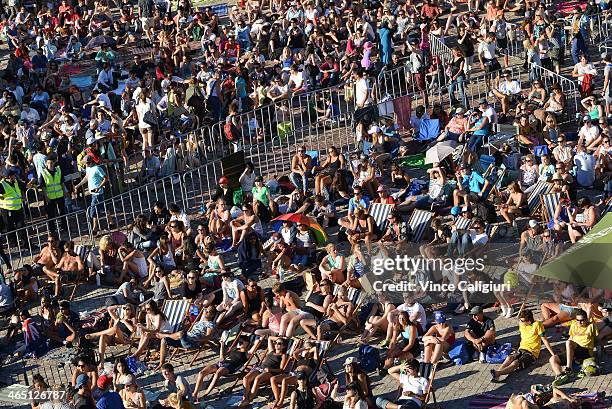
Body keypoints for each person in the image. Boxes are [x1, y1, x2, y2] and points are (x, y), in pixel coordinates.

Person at [490, 310, 555, 382]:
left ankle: (498, 373)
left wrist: (553, 354)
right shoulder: (521, 324)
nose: (520, 321)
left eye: (522, 320)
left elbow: (545, 340)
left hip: (531, 353)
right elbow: (521, 336)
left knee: (515, 363)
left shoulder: (537, 324)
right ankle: (497, 375)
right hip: (521, 348)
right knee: (509, 358)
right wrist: (517, 346)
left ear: (529, 321)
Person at [192, 336, 251, 402]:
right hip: (221, 363)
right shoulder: (235, 349)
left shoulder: (247, 354)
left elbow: (254, 348)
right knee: (201, 373)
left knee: (217, 374)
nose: (240, 343)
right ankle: (195, 393)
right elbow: (222, 358)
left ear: (247, 343)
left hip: (230, 366)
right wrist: (222, 346)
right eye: (240, 342)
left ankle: (205, 395)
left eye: (242, 342)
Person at [549, 308, 598, 385]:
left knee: (568, 342)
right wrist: (565, 349)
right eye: (577, 320)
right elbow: (571, 338)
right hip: (574, 350)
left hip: (585, 351)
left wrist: (601, 350)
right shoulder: (574, 325)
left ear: (586, 319)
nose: (579, 322)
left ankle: (569, 369)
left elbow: (598, 339)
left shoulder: (591, 326)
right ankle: (560, 376)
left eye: (582, 320)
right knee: (553, 358)